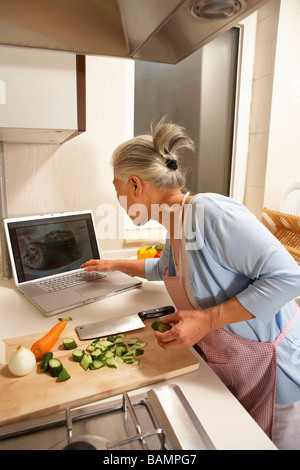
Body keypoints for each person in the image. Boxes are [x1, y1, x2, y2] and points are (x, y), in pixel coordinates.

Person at [81, 117, 300, 449]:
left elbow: (288, 277)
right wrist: (115, 264)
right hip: (239, 365)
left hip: (276, 372)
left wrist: (208, 319)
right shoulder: (176, 220)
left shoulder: (210, 212)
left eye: (117, 188)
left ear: (136, 185)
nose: (118, 200)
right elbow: (167, 268)